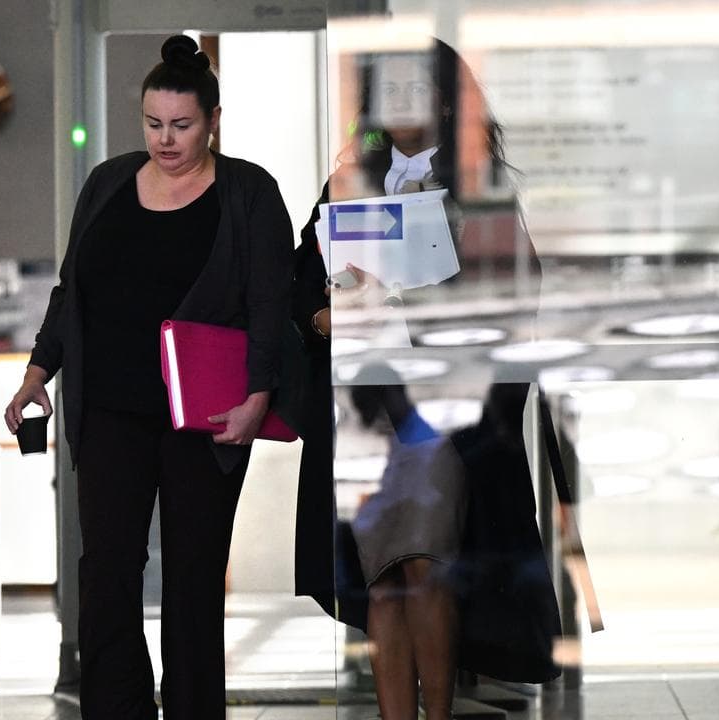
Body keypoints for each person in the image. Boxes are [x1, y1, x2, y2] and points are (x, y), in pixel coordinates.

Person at [4, 34, 297, 720]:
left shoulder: (248, 192)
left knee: (194, 580)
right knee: (105, 573)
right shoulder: (108, 182)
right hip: (109, 408)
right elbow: (71, 288)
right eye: (154, 124)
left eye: (183, 125)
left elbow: (269, 304)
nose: (166, 139)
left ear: (214, 119)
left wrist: (259, 398)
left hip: (206, 413)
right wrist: (36, 371)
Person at [293, 37, 560, 720]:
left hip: (440, 408)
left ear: (445, 97)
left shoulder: (476, 180)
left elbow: (517, 295)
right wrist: (325, 315)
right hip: (364, 407)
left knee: (427, 570)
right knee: (379, 578)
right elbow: (299, 276)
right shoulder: (349, 178)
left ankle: (435, 714)